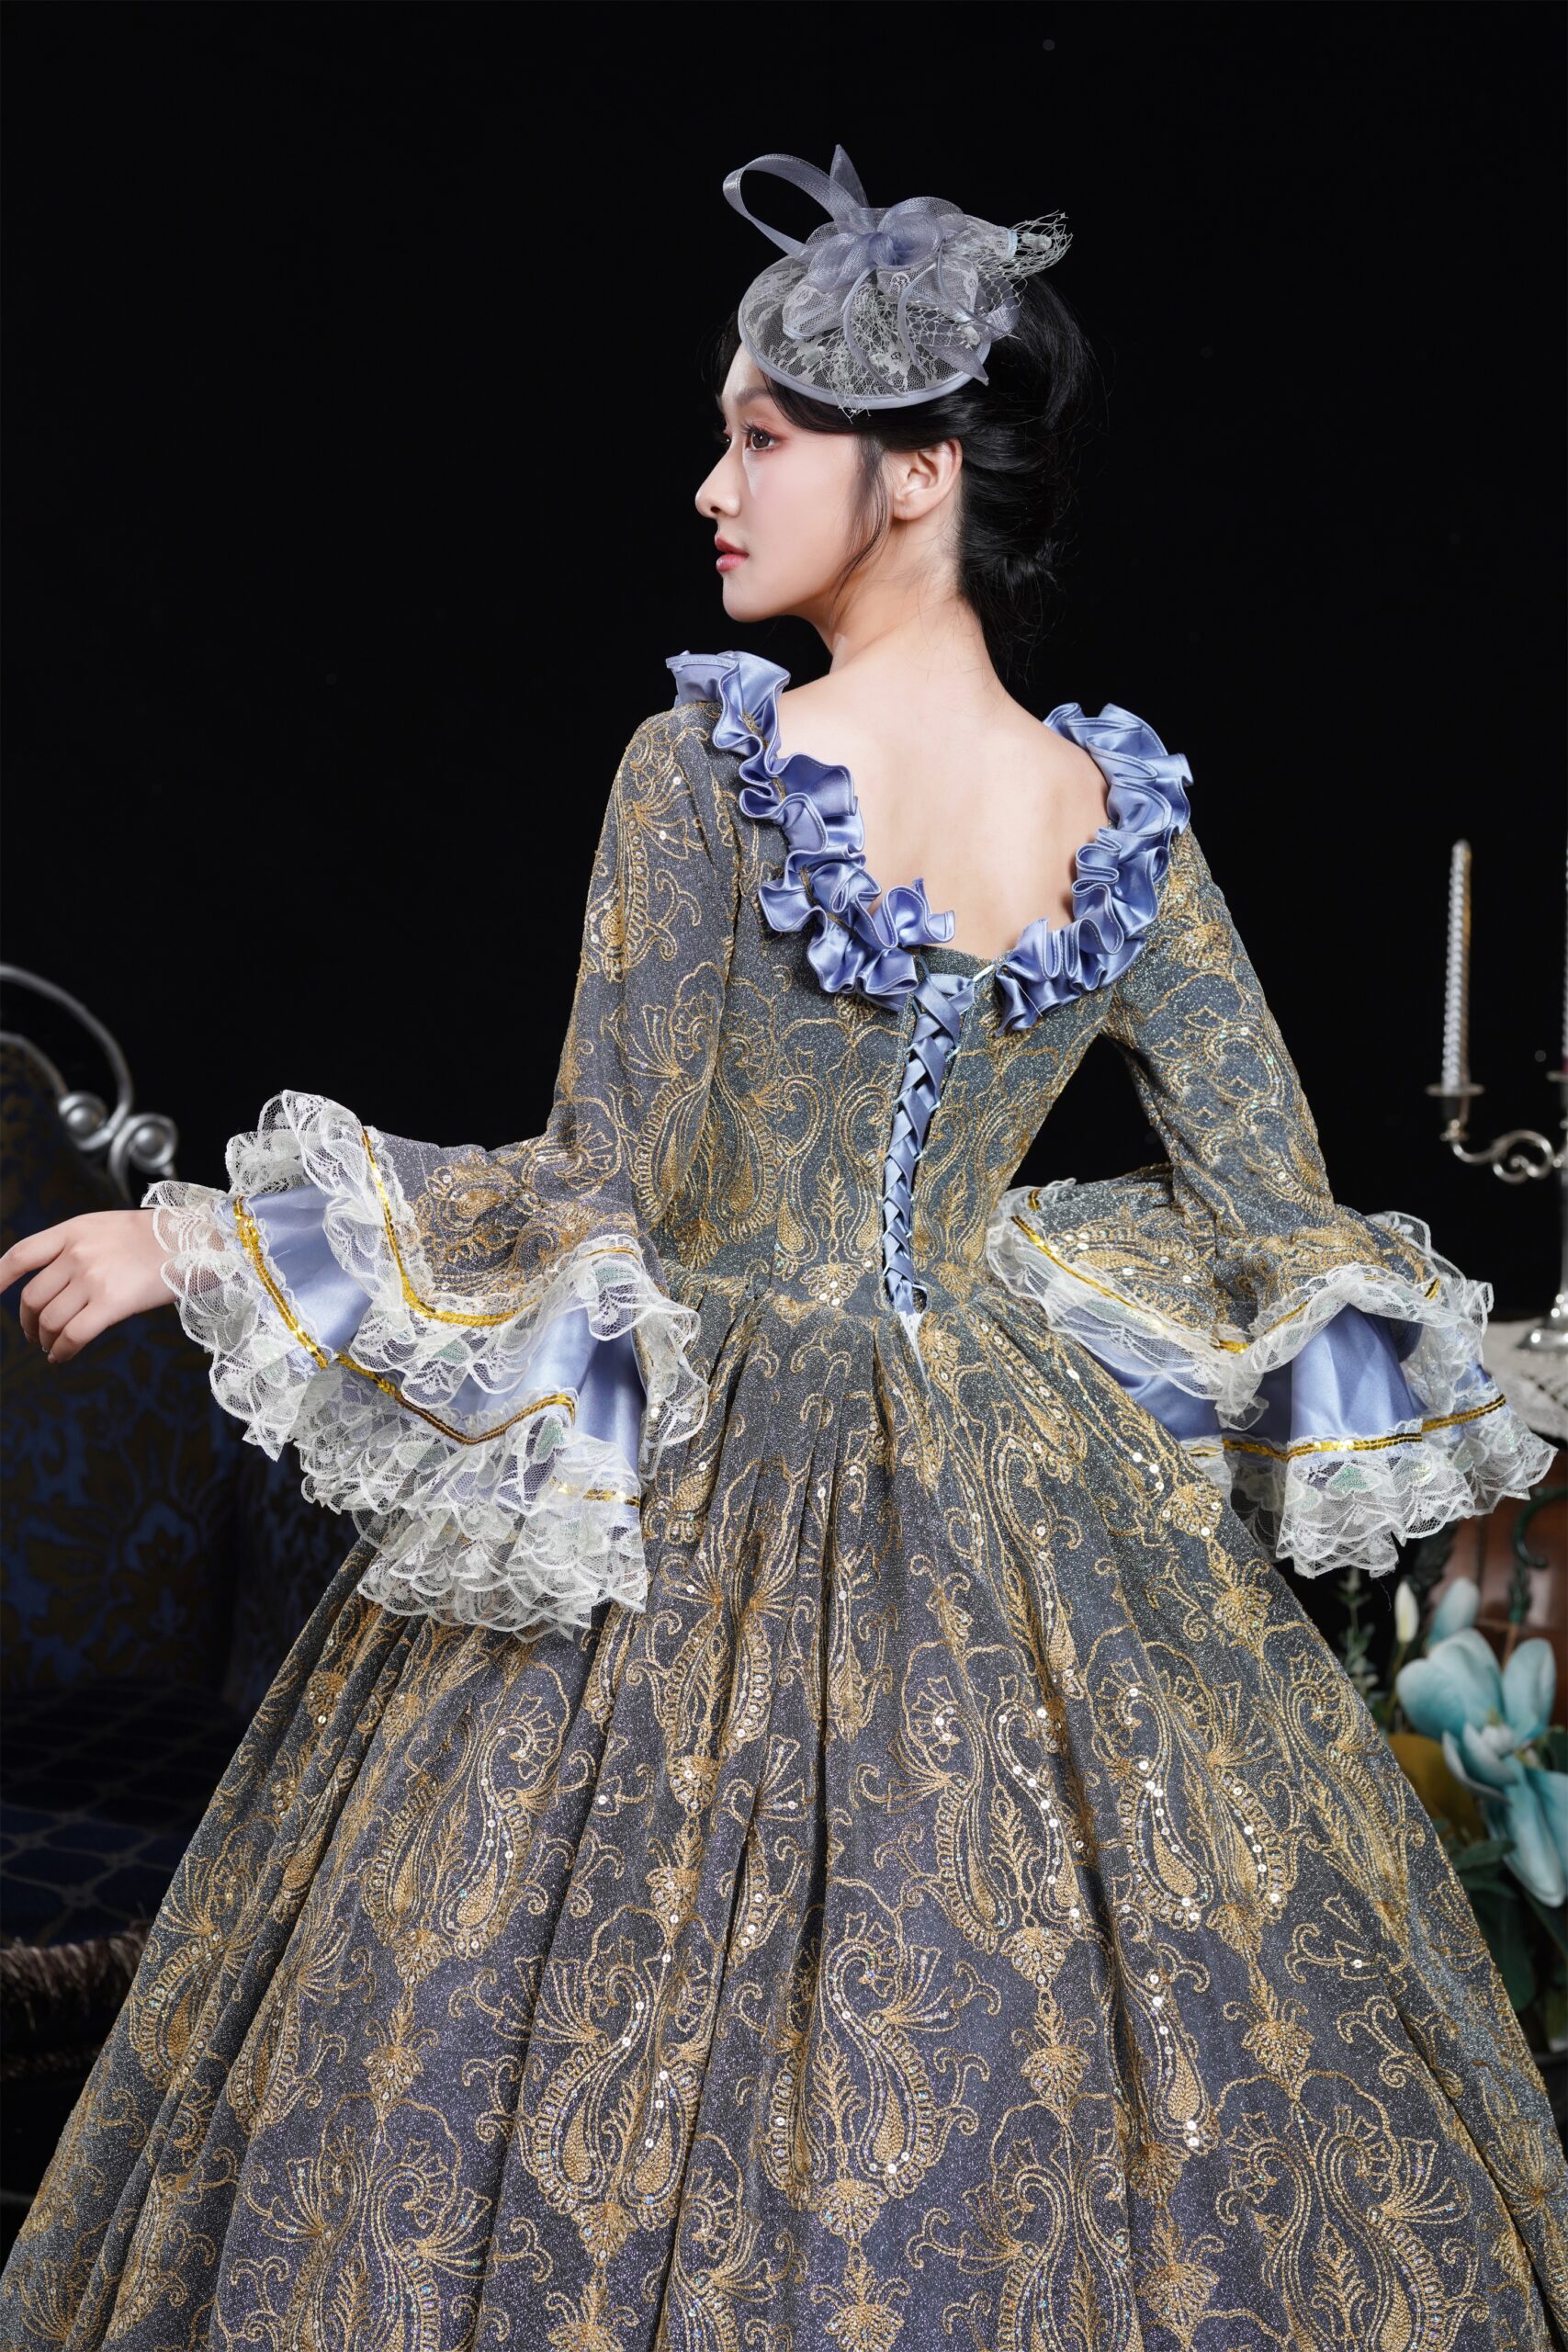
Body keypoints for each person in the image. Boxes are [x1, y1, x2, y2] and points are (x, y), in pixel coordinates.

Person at [2, 145, 1563, 2349]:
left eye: (759, 438)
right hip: (1025, 1488)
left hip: (706, 1475)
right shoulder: (1116, 822)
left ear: (916, 473)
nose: (710, 487)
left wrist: (204, 1240)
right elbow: (1278, 1215)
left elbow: (595, 1191)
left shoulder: (700, 767)